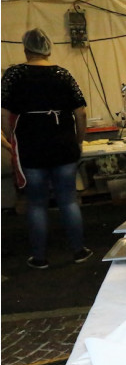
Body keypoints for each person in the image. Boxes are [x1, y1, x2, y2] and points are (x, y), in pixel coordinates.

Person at [1, 28, 93, 269]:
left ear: (26, 48)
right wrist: (78, 140)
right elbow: (80, 112)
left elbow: (4, 113)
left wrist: (12, 140)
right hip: (63, 144)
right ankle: (78, 250)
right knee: (68, 200)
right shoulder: (63, 74)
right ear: (48, 47)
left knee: (37, 203)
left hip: (31, 147)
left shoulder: (13, 75)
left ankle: (39, 257)